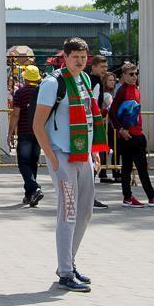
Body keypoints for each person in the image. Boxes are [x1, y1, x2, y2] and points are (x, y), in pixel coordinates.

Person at [33, 38, 107, 292]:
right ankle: (65, 272)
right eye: (75, 56)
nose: (80, 61)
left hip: (82, 155)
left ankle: (68, 263)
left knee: (85, 211)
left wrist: (93, 152)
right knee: (68, 213)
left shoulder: (84, 79)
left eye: (83, 57)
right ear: (65, 57)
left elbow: (89, 118)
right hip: (62, 155)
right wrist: (51, 158)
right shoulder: (53, 83)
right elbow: (37, 125)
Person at [110, 63, 154, 207]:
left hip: (135, 134)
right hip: (130, 135)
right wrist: (121, 129)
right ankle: (150, 197)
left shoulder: (135, 89)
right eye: (131, 74)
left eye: (136, 73)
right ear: (123, 76)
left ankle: (130, 197)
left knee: (130, 167)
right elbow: (112, 111)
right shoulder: (123, 91)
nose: (134, 76)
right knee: (138, 167)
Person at [10, 64, 44, 206]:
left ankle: (34, 188)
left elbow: (16, 114)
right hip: (39, 132)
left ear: (25, 78)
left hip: (24, 132)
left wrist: (10, 133)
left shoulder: (20, 93)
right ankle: (29, 195)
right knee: (33, 163)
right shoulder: (42, 91)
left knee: (23, 163)